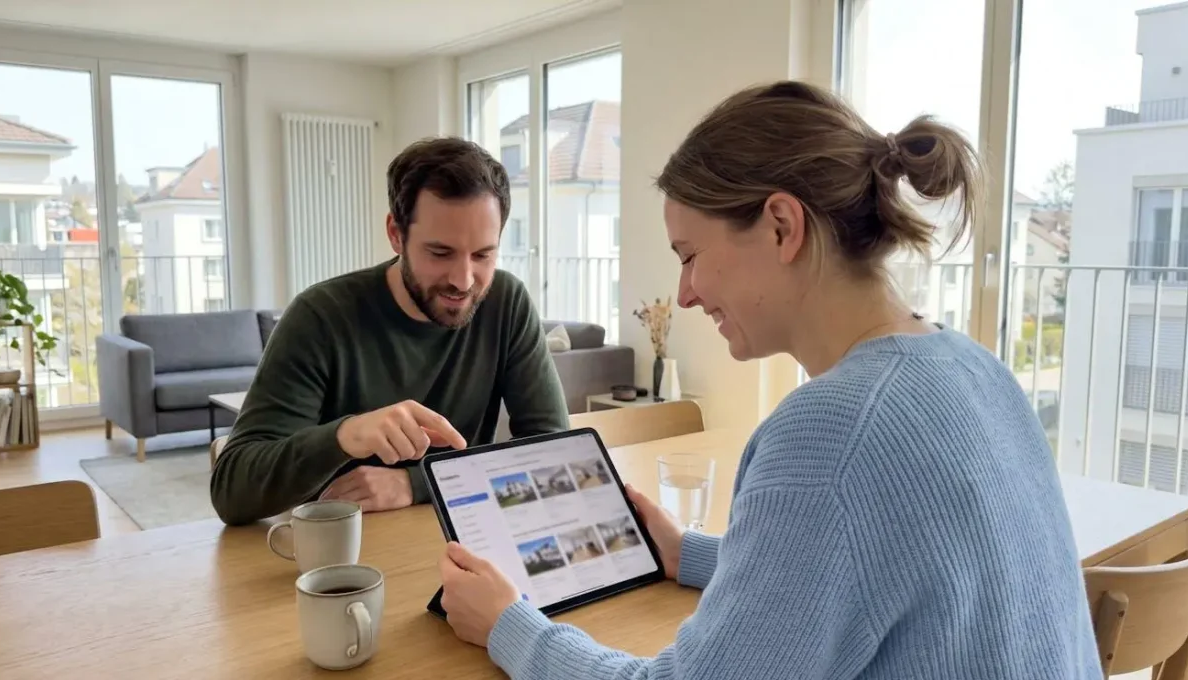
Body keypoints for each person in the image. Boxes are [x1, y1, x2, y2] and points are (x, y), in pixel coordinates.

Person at [436, 81, 1101, 678]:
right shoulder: (975, 367)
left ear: (782, 226)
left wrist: (510, 627)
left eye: (690, 255)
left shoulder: (833, 431)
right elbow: (860, 573)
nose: (686, 294)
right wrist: (686, 553)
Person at [210, 137, 569, 526]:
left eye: (483, 254)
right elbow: (233, 492)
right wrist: (343, 436)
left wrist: (416, 483)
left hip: (459, 538)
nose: (464, 280)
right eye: (440, 253)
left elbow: (553, 453)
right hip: (338, 556)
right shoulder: (319, 317)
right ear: (396, 234)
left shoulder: (506, 301)